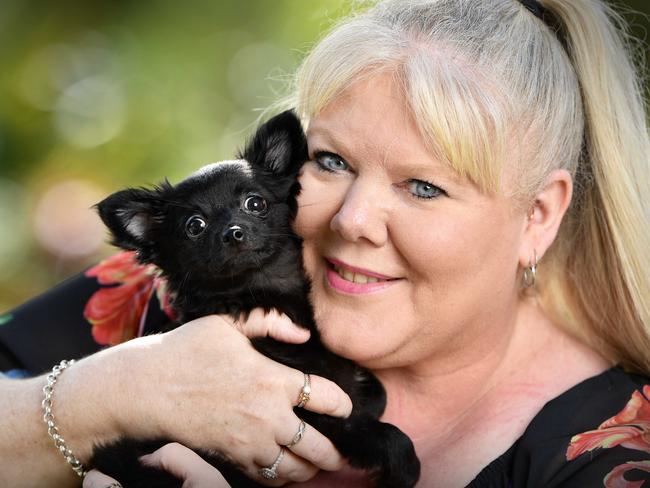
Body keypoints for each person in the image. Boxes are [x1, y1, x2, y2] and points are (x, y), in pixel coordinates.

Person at [2, 0, 650, 486]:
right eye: (334, 162)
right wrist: (111, 395)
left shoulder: (606, 459)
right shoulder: (186, 290)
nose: (353, 220)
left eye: (423, 187)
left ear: (538, 216)